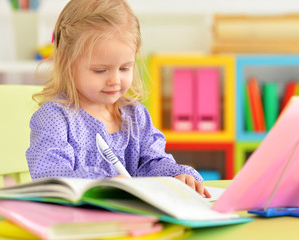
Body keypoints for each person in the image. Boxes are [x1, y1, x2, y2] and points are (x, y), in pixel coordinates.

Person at [26, 0, 210, 198]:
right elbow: (50, 175)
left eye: (124, 68)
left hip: (133, 220)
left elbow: (152, 162)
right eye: (100, 70)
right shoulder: (55, 118)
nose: (115, 80)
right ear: (67, 64)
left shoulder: (135, 115)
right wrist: (102, 183)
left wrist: (176, 175)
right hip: (77, 222)